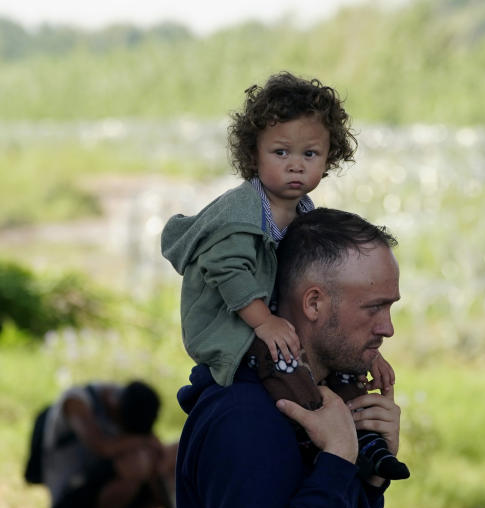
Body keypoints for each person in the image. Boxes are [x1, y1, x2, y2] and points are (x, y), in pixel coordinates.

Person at [161, 71, 408, 481]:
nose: (295, 165)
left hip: (271, 326)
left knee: (344, 373)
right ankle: (315, 434)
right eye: (280, 153)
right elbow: (228, 270)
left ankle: (368, 448)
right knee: (286, 364)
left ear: (329, 158)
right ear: (253, 154)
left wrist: (366, 353)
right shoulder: (240, 215)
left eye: (310, 155)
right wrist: (266, 321)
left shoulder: (304, 213)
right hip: (236, 331)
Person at [174, 208, 402, 508]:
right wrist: (336, 461)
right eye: (374, 308)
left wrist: (367, 476)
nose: (387, 328)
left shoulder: (320, 398)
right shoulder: (240, 417)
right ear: (314, 303)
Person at [29, 380, 178, 508]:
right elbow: (101, 447)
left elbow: (157, 459)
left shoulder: (129, 407)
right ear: (115, 406)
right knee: (137, 463)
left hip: (99, 490)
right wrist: (144, 442)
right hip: (71, 498)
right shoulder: (76, 402)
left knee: (163, 461)